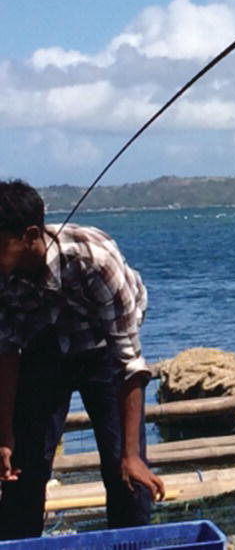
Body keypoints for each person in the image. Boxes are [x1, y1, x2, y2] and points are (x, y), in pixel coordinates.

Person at [0, 180, 166, 538]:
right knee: (22, 468)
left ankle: (132, 541)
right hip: (44, 347)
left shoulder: (94, 259)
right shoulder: (3, 277)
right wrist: (6, 433)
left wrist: (132, 455)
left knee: (125, 465)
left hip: (104, 346)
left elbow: (130, 362)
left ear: (30, 235)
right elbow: (6, 350)